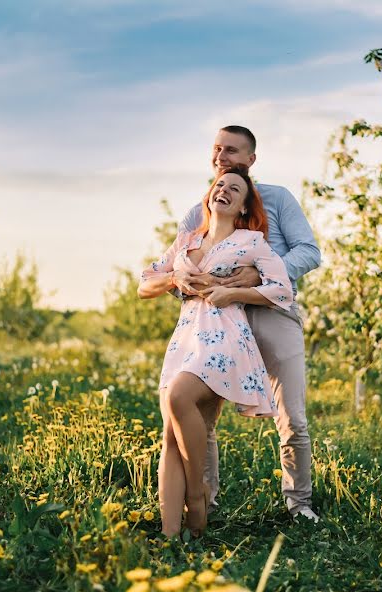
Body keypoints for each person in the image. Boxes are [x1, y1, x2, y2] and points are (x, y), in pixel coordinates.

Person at [174, 126, 321, 522]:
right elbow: (177, 271)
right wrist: (180, 281)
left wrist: (262, 276)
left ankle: (299, 503)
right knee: (202, 416)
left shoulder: (278, 198)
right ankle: (204, 499)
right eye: (217, 149)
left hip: (272, 313)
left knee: (292, 415)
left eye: (233, 151)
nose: (222, 157)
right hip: (218, 320)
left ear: (252, 159)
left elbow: (310, 252)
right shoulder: (197, 212)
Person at [138, 166, 294, 537]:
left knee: (179, 396)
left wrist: (234, 293)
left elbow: (282, 290)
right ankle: (174, 536)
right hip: (185, 337)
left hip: (224, 337)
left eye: (234, 189)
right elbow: (145, 283)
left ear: (243, 207)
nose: (223, 190)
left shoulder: (252, 241)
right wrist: (174, 278)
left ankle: (198, 495)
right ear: (210, 195)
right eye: (219, 184)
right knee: (171, 435)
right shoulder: (188, 239)